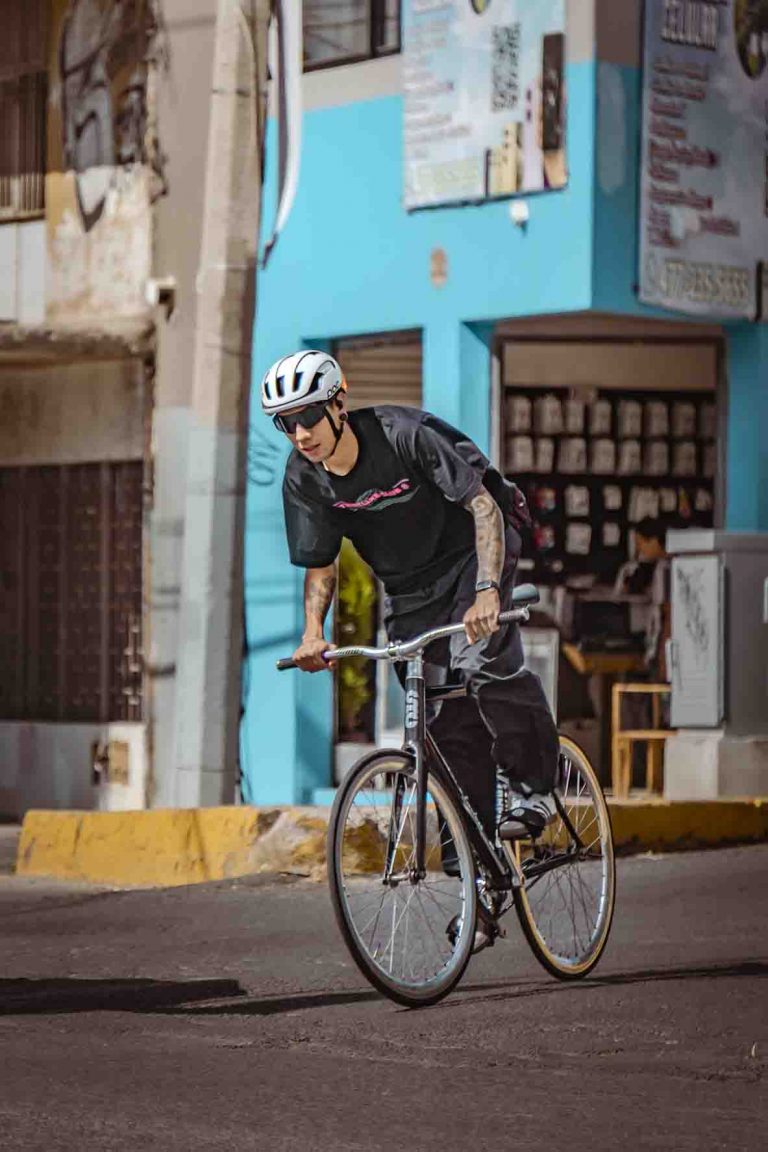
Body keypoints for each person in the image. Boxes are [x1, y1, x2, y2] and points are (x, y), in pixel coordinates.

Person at [261, 349, 561, 849]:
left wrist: (488, 591)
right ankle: (473, 856)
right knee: (435, 709)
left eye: (308, 416)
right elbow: (321, 564)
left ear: (338, 405)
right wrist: (313, 633)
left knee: (481, 662)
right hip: (408, 586)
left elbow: (484, 506)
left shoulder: (404, 434)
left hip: (472, 555)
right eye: (285, 424)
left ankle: (535, 789)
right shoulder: (303, 477)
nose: (300, 434)